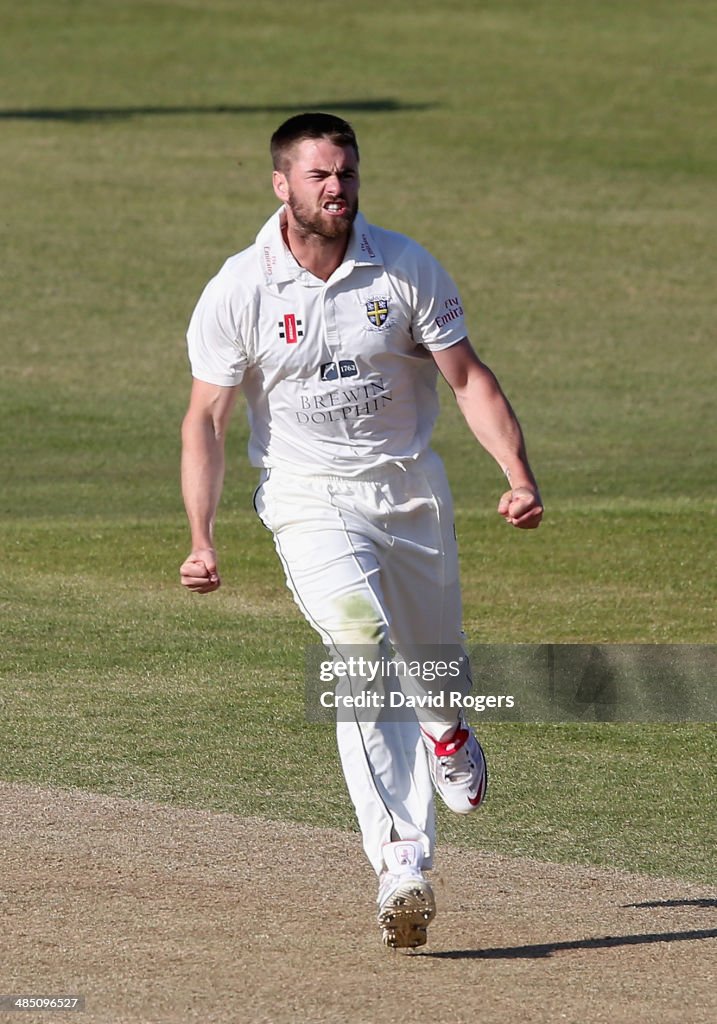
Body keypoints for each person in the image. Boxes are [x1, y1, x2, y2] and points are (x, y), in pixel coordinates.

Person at [179, 112, 543, 949]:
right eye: (317, 175)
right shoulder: (241, 287)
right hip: (308, 497)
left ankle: (448, 727)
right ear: (281, 183)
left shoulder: (404, 266)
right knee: (357, 641)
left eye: (345, 173)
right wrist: (202, 536)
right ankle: (400, 861)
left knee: (430, 667)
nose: (335, 188)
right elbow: (205, 416)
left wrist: (517, 476)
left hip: (411, 493)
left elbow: (468, 378)